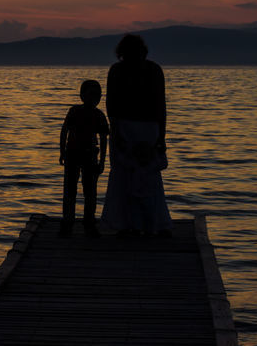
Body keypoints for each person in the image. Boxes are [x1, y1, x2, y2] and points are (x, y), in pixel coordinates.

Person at [101, 34, 172, 236]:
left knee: (138, 177)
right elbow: (113, 105)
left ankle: (138, 224)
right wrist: (161, 136)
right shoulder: (139, 70)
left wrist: (161, 136)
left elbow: (159, 105)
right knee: (136, 177)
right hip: (134, 127)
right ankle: (138, 224)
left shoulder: (149, 70)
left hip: (142, 128)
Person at [59, 79, 109, 237]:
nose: (95, 98)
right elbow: (64, 131)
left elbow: (103, 138)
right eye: (91, 94)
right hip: (72, 154)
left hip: (90, 156)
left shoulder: (99, 115)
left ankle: (89, 223)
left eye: (98, 95)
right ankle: (68, 223)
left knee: (90, 192)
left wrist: (102, 161)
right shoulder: (74, 111)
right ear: (82, 96)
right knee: (70, 191)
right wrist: (62, 152)